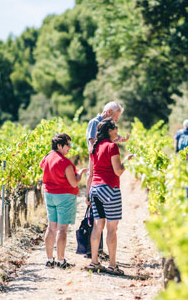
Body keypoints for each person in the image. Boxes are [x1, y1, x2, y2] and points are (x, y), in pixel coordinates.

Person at [87, 118, 134, 275]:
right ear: (109, 130)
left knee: (97, 226)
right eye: (116, 128)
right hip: (110, 189)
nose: (117, 131)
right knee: (111, 229)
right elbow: (118, 171)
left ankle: (94, 262)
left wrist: (88, 193)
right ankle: (112, 265)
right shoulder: (112, 147)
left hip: (95, 189)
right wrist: (127, 160)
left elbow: (91, 173)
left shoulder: (94, 147)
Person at [40, 133, 87, 269]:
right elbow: (74, 183)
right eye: (68, 145)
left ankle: (49, 260)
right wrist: (80, 174)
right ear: (59, 146)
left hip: (49, 195)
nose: (70, 148)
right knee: (62, 230)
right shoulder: (65, 163)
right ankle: (61, 261)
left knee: (51, 227)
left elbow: (42, 166)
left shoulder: (47, 157)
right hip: (64, 197)